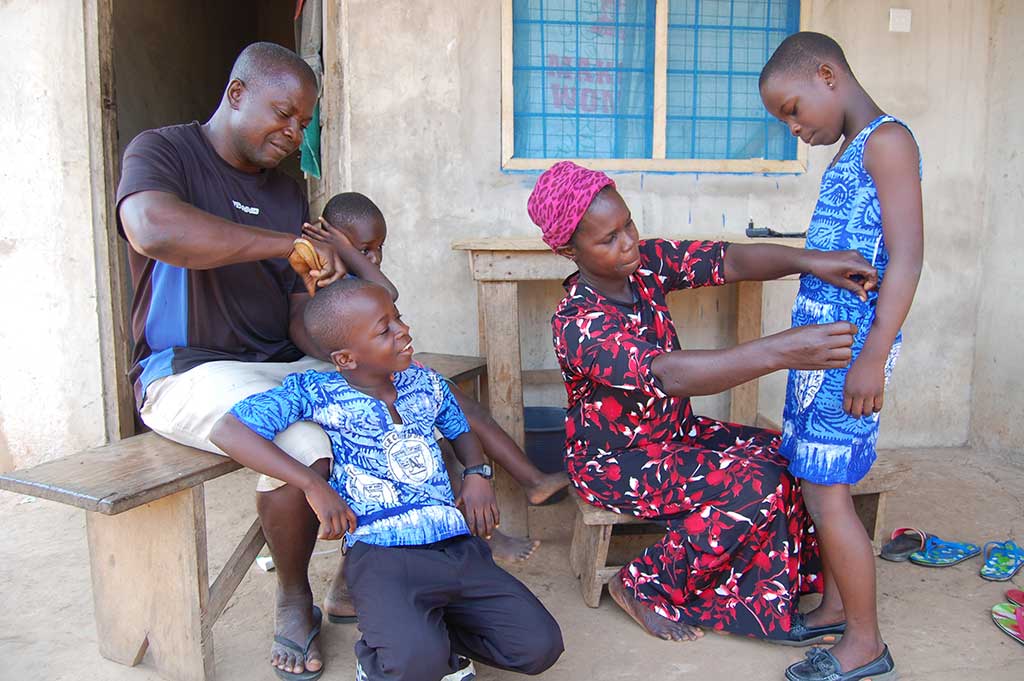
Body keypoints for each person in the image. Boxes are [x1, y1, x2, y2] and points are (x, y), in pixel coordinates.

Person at [116, 42, 562, 679]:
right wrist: (286, 243)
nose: (294, 133)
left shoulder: (286, 190)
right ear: (236, 94)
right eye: (283, 114)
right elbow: (156, 229)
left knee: (400, 394)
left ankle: (378, 578)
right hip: (187, 369)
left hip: (280, 361)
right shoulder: (163, 152)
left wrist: (342, 339)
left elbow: (299, 314)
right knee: (303, 441)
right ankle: (296, 596)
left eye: (304, 122)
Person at [527, 160, 878, 646]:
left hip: (675, 436)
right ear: (569, 249)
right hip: (614, 462)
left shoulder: (644, 266)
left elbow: (729, 261)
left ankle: (780, 586)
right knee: (756, 482)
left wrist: (813, 260)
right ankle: (642, 584)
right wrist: (781, 350)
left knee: (789, 454)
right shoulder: (579, 321)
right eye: (607, 239)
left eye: (627, 223)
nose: (627, 241)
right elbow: (669, 375)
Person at [210, 278, 564, 681]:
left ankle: (432, 634)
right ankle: (379, 657)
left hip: (456, 547)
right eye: (384, 329)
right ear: (345, 358)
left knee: (539, 647)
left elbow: (459, 425)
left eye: (399, 319)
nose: (403, 331)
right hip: (382, 556)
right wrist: (313, 484)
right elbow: (229, 430)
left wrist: (476, 472)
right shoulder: (316, 391)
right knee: (416, 666)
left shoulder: (424, 381)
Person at [760, 32, 922, 681]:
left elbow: (907, 257)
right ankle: (834, 605)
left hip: (849, 353)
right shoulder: (853, 150)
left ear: (828, 75)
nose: (795, 128)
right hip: (818, 354)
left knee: (829, 493)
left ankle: (864, 642)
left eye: (795, 110)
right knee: (816, 478)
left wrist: (872, 356)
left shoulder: (888, 141)